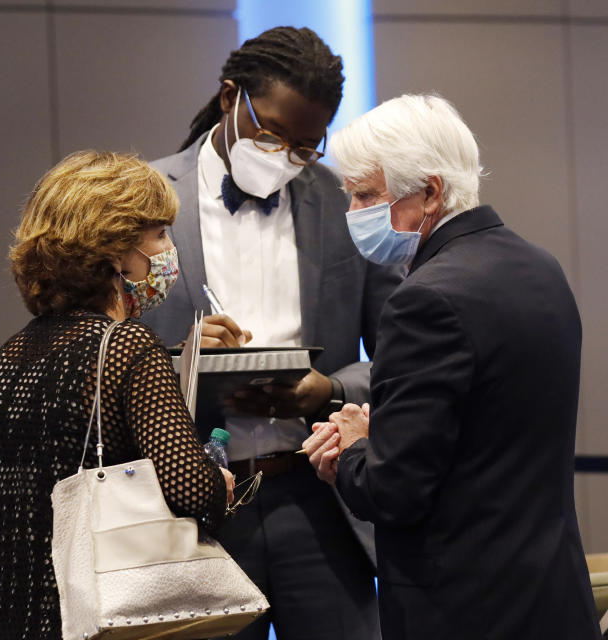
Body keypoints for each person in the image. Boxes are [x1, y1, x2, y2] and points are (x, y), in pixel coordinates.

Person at [302, 94, 602, 639]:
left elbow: (394, 490)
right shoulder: (540, 267)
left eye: (366, 195)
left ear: (431, 191)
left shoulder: (424, 301)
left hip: (462, 608)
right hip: (550, 596)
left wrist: (352, 448)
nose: (353, 215)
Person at [145, 26, 400, 640]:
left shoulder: (344, 204)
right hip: (193, 500)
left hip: (316, 497)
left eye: (305, 147)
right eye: (271, 136)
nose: (284, 156)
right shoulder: (145, 197)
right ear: (231, 97)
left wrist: (329, 390)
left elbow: (401, 354)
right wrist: (177, 360)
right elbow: (96, 343)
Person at [0, 151, 234, 640]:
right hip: (100, 615)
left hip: (9, 615)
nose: (168, 250)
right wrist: (219, 481)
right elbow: (190, 492)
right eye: (159, 235)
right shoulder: (128, 347)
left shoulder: (7, 357)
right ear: (115, 252)